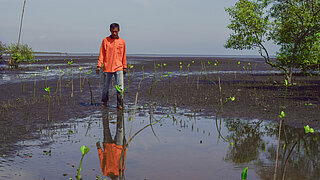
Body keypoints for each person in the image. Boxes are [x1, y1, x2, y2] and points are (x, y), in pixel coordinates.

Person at [96, 23, 127, 109]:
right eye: (113, 31)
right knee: (105, 86)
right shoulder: (105, 41)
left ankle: (120, 103)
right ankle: (104, 101)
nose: (114, 33)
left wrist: (125, 67)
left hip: (119, 67)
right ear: (110, 30)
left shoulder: (122, 42)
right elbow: (102, 54)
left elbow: (124, 55)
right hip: (107, 67)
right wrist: (99, 66)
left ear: (119, 31)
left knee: (120, 87)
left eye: (116, 31)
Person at [96, 109, 126, 179]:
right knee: (120, 129)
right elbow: (123, 159)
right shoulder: (121, 172)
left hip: (107, 146)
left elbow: (102, 159)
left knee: (106, 128)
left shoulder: (106, 172)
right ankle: (120, 111)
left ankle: (104, 111)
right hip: (119, 147)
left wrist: (99, 148)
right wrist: (125, 147)